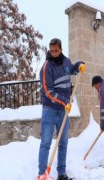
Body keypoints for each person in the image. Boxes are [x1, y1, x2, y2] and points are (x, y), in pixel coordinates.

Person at [37, 38, 85, 180]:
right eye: (51, 51)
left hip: (64, 109)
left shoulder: (66, 61)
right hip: (50, 109)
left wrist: (79, 65)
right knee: (46, 143)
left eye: (56, 50)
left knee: (63, 143)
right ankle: (41, 174)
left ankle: (61, 174)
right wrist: (65, 102)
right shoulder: (46, 67)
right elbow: (48, 91)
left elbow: (71, 70)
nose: (53, 53)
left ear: (61, 49)